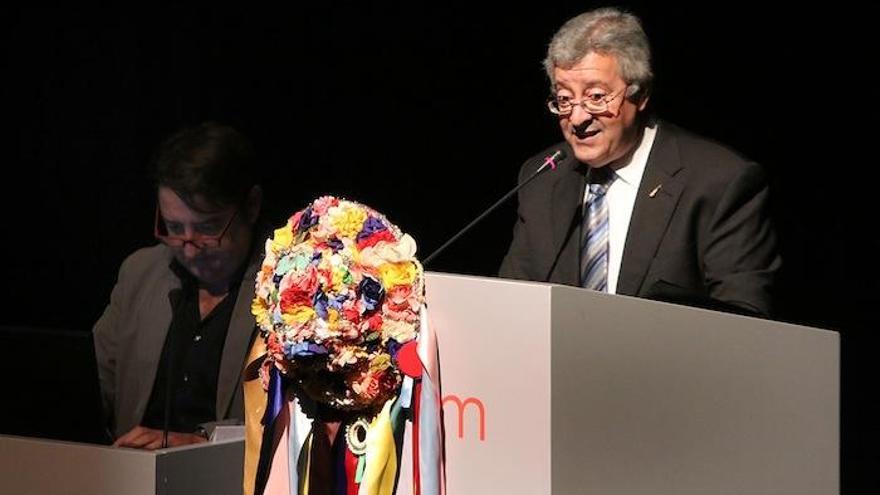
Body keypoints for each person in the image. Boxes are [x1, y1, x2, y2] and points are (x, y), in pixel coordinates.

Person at [499, 7, 780, 317]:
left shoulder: (718, 182)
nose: (577, 118)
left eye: (596, 97)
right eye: (564, 99)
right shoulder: (543, 177)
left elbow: (745, 322)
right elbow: (513, 305)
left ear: (641, 93)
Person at [93, 122, 264, 449]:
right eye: (173, 227)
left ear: (251, 206)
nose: (188, 247)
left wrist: (202, 443)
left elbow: (299, 425)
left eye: (207, 228)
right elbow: (97, 389)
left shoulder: (292, 289)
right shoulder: (140, 273)